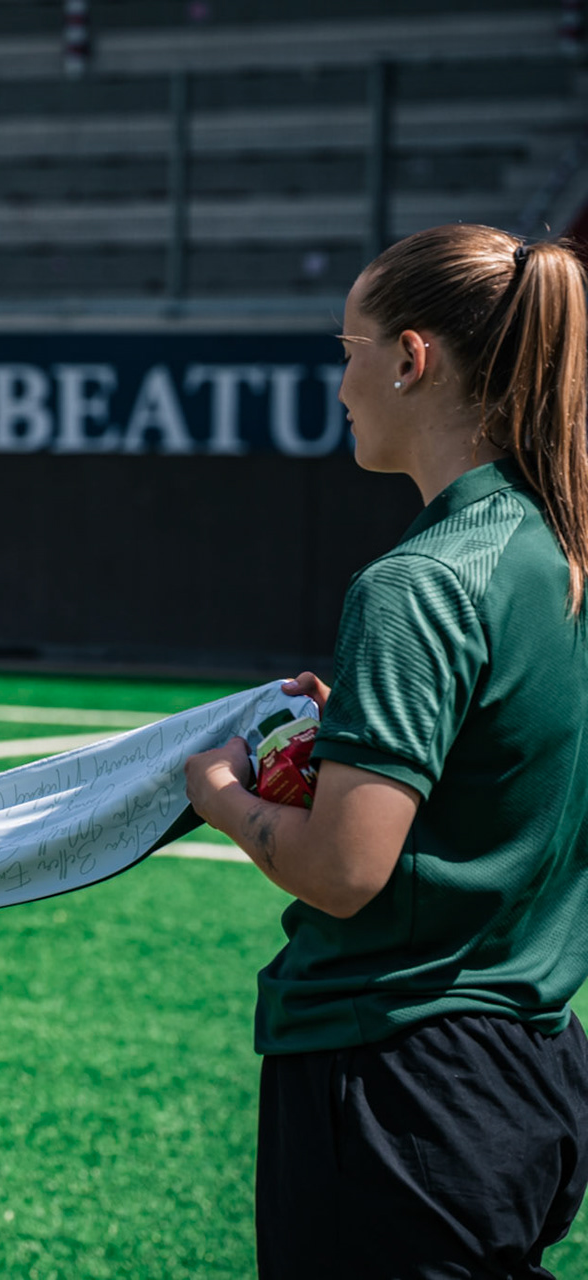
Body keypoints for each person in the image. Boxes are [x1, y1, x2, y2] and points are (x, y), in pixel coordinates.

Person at [185, 224, 588, 1278]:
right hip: (535, 1066)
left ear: (411, 357)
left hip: (399, 1076)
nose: (340, 380)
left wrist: (221, 789)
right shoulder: (563, 551)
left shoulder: (420, 583)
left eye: (347, 346)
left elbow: (342, 870)